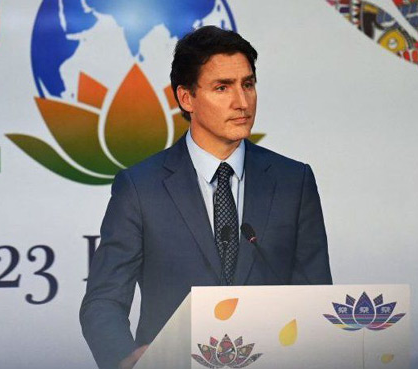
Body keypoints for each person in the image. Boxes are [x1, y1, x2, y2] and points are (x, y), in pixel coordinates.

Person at [79, 26, 332, 369]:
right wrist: (126, 359)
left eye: (248, 84)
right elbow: (103, 300)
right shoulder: (140, 188)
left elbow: (315, 296)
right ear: (187, 98)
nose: (242, 102)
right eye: (222, 87)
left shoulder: (293, 181)